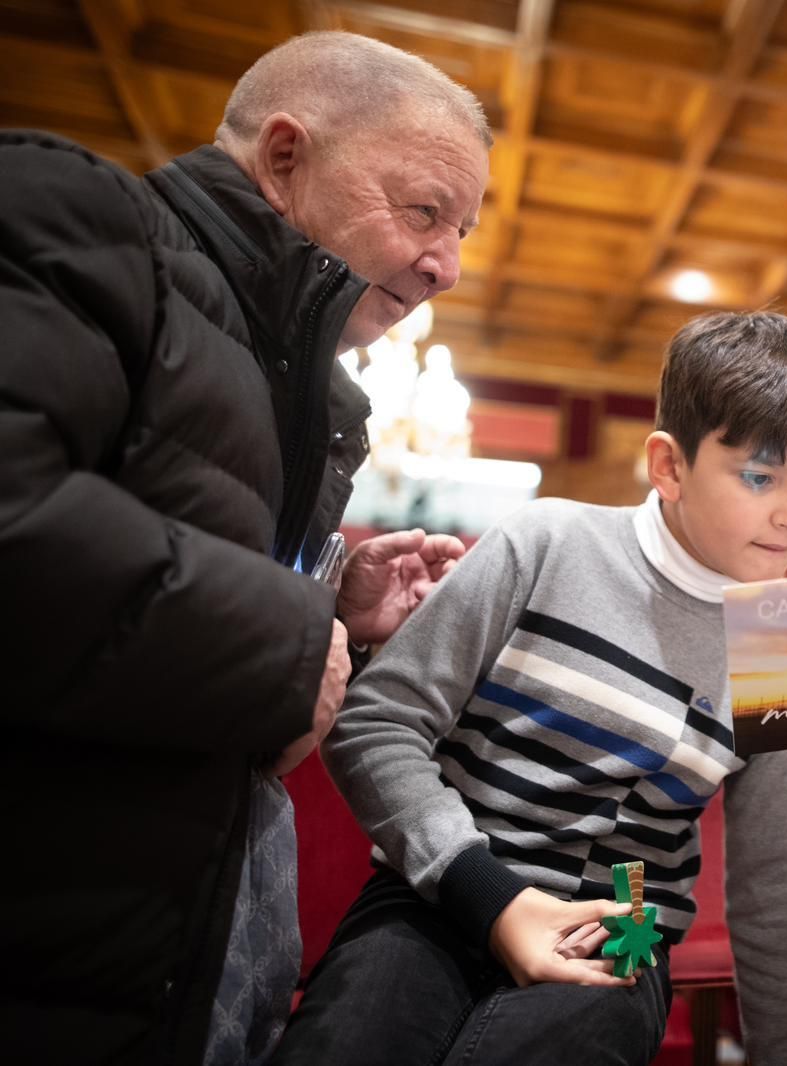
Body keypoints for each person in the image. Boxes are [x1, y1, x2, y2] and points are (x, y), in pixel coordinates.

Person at [0, 31, 485, 1063]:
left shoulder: (297, 387)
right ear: (282, 157)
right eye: (425, 211)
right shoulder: (73, 218)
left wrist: (333, 604)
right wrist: (293, 634)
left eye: (463, 231)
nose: (448, 265)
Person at [272, 310, 787, 1066]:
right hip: (440, 899)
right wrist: (492, 899)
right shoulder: (545, 544)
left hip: (622, 934)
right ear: (669, 466)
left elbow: (770, 891)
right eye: (759, 476)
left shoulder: (785, 652)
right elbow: (377, 725)